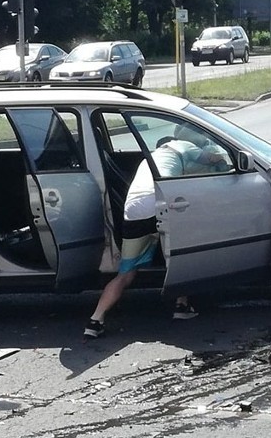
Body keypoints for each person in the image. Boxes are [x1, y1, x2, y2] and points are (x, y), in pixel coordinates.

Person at [84, 123, 228, 339]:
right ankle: (181, 305)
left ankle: (95, 320)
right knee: (182, 256)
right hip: (159, 205)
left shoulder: (150, 159)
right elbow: (212, 160)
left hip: (133, 211)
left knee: (125, 274)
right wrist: (220, 155)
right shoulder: (182, 146)